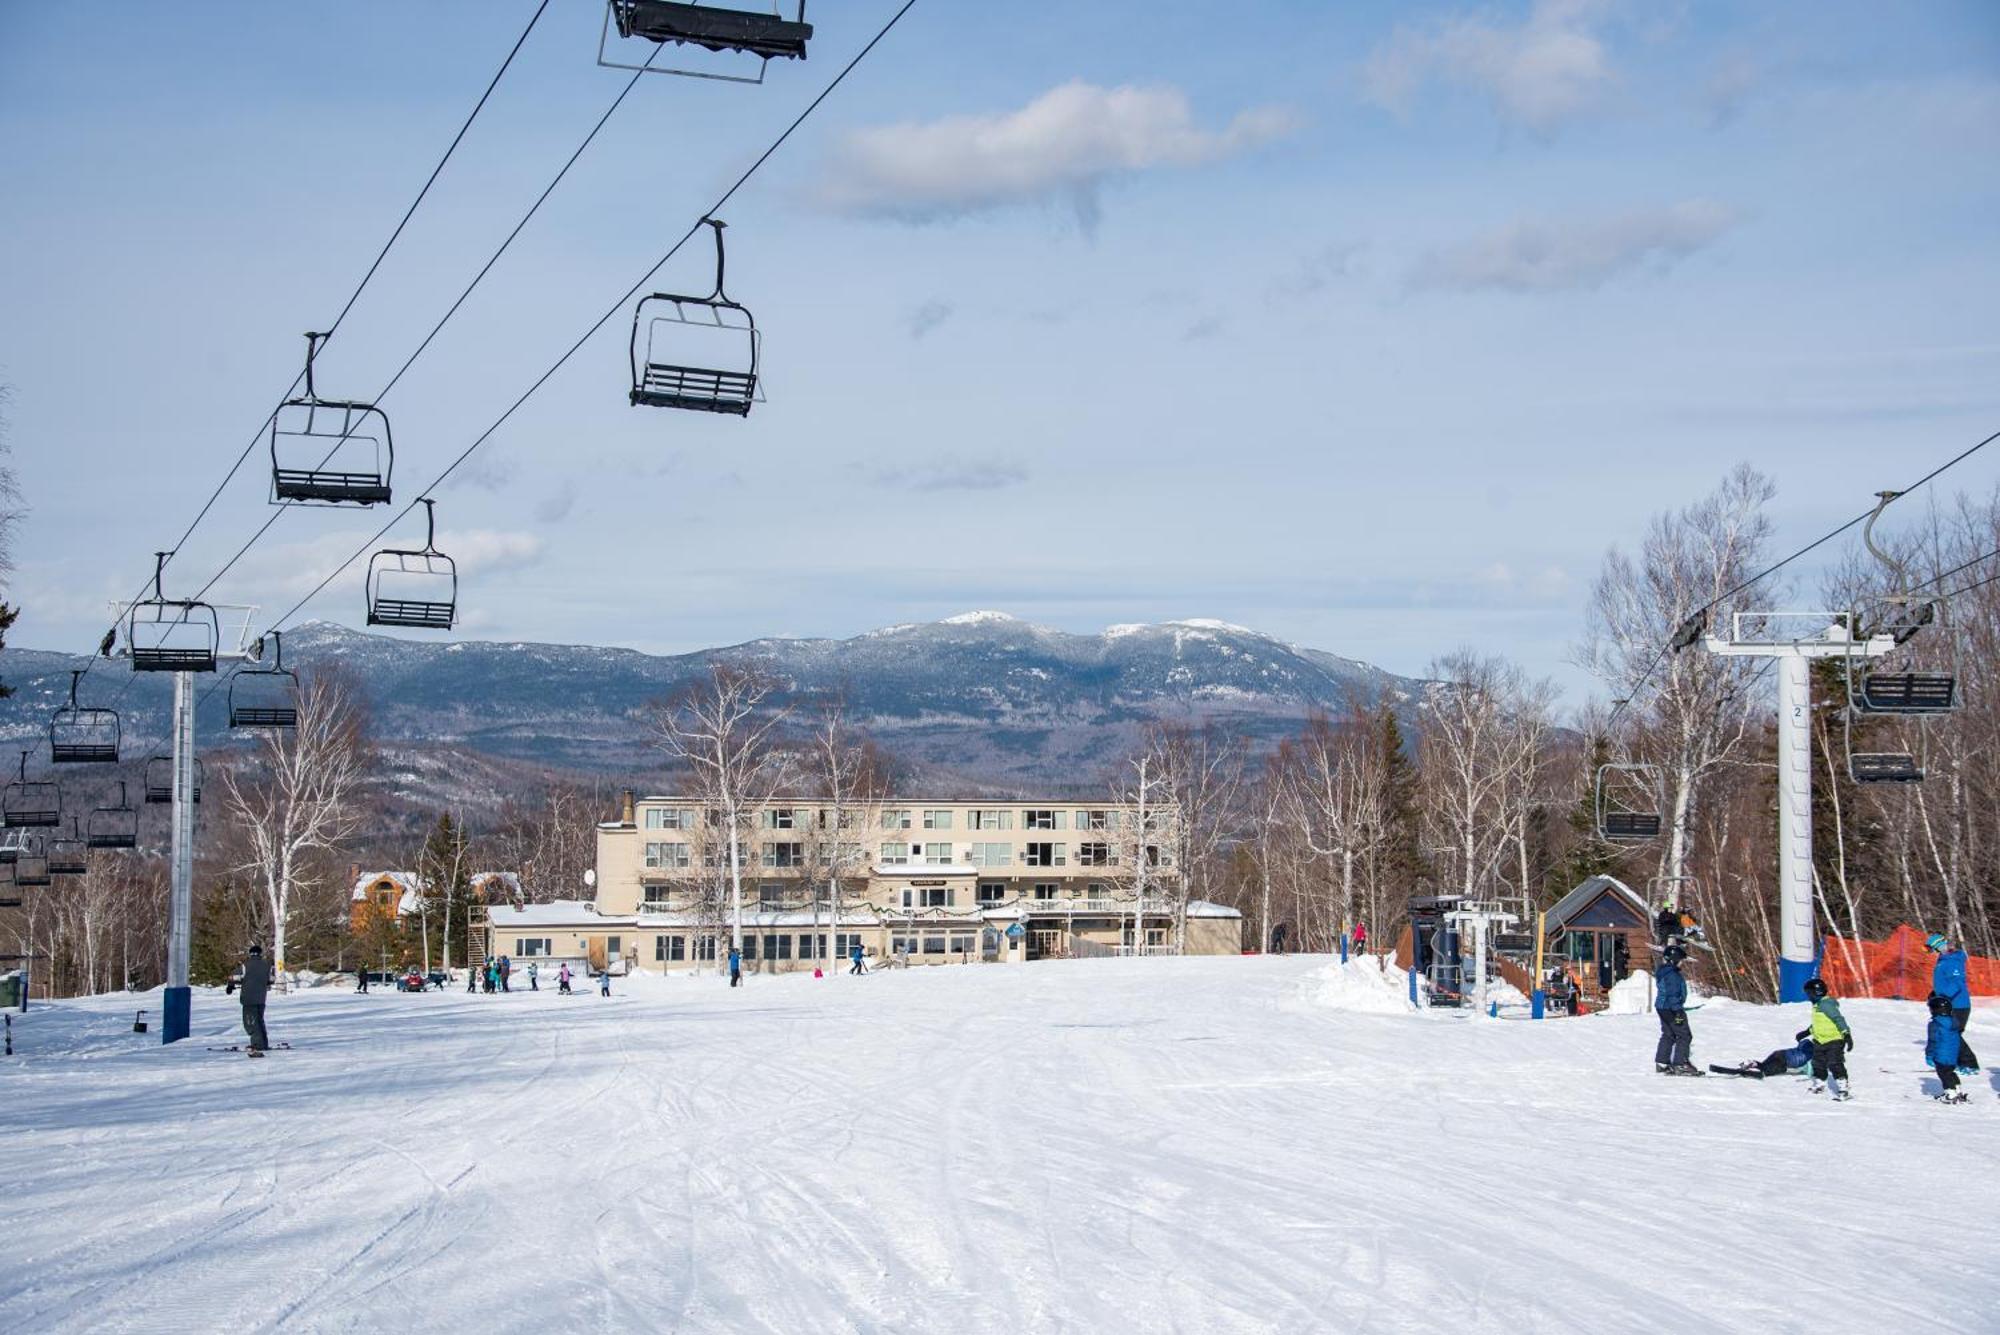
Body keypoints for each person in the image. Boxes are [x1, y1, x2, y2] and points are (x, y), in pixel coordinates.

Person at [1925, 932, 1981, 1073]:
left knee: (1953, 1033)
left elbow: (1957, 984)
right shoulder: (1943, 960)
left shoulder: (1953, 960)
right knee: (1950, 1032)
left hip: (1958, 1004)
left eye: (1933, 949)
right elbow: (1944, 982)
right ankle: (1957, 1062)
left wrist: (1942, 997)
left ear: (1939, 946)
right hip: (1948, 1003)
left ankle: (1970, 1064)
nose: (1932, 952)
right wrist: (1935, 994)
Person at [1802, 976, 1852, 1100]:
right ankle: (1820, 1084)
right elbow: (1820, 1024)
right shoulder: (1818, 1006)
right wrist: (1806, 1032)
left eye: (1809, 993)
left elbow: (1838, 1019)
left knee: (1834, 1063)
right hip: (1820, 1041)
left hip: (1834, 1040)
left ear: (1815, 993)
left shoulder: (1826, 1005)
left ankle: (1843, 1088)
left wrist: (1846, 1034)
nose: (1808, 997)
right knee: (1818, 1063)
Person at [1654, 943, 1698, 1075]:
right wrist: (1678, 1012)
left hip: (1663, 1008)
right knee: (1684, 1035)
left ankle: (1662, 1063)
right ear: (1674, 960)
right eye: (1680, 961)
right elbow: (1672, 995)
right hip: (1672, 1008)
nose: (1682, 964)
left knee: (1669, 1034)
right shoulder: (1672, 975)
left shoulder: (1665, 972)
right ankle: (1680, 1064)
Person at [1926, 992, 1969, 1105]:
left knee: (1944, 1074)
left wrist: (1929, 1054)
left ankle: (1950, 1094)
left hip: (1941, 1056)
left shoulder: (1935, 1024)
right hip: (1952, 1056)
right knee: (1951, 1072)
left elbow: (1933, 1040)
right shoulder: (1953, 1023)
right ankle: (1958, 1091)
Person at [1711, 1034, 1815, 1079]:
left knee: (1764, 1065)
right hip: (1784, 1061)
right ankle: (1751, 1068)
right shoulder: (1813, 1055)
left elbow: (1801, 1042)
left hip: (1779, 1053)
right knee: (1765, 1072)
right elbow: (1809, 1070)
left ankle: (1752, 1063)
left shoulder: (1806, 1044)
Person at [238, 943, 272, 1056]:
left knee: (251, 1022)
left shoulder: (245, 965)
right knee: (259, 1020)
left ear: (250, 953)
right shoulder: (267, 965)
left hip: (248, 998)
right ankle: (264, 1043)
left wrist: (230, 985)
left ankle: (258, 1045)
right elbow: (271, 979)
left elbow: (235, 977)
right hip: (261, 998)